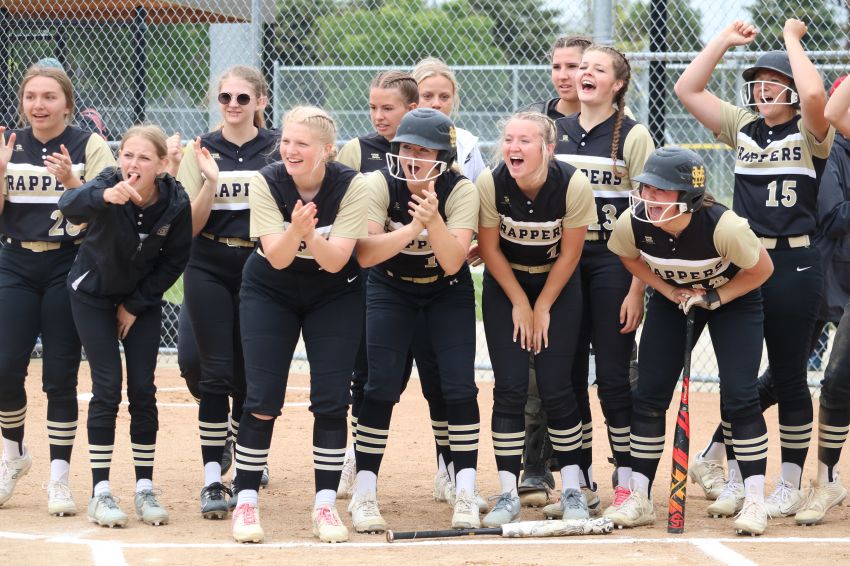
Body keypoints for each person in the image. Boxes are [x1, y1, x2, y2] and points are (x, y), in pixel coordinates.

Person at [675, 19, 833, 518]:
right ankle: (744, 476)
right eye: (758, 81)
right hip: (743, 260)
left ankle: (788, 481)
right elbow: (687, 88)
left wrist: (791, 41)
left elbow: (814, 96)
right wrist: (723, 41)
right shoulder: (742, 124)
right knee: (738, 380)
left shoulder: (811, 131)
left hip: (795, 260)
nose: (763, 89)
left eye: (774, 82)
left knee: (788, 375)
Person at [608, 146, 774, 534]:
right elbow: (629, 258)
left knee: (740, 397)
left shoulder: (724, 227)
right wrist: (665, 292)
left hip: (734, 299)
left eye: (662, 191)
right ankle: (640, 498)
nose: (649, 199)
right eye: (647, 188)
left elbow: (762, 269)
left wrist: (715, 297)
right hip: (675, 301)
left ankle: (754, 502)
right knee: (648, 396)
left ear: (690, 198)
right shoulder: (632, 223)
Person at [230, 106, 368, 544]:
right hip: (271, 289)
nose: (289, 149)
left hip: (334, 291)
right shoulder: (266, 180)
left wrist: (309, 233)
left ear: (326, 150)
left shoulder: (352, 185)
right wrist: (297, 231)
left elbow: (335, 261)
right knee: (262, 397)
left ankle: (324, 505)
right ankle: (246, 499)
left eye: (302, 144)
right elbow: (278, 256)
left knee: (331, 400)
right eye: (286, 141)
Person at [350, 108, 480, 532]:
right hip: (390, 286)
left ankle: (464, 488)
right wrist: (411, 228)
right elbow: (367, 254)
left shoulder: (460, 190)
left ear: (443, 156)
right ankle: (365, 492)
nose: (412, 157)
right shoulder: (377, 183)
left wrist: (434, 218)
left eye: (423, 150)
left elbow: (452, 261)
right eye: (406, 148)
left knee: (459, 387)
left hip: (446, 291)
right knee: (381, 385)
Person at [58, 124, 192, 527]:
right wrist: (103, 196)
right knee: (106, 386)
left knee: (142, 388)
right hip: (92, 294)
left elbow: (175, 260)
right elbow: (70, 204)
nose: (133, 164)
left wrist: (134, 305)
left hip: (139, 301)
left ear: (163, 165)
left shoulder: (174, 200)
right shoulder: (109, 181)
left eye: (144, 158)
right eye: (127, 155)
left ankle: (144, 488)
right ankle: (101, 491)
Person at [0, 63, 115, 516]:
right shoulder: (10, 143)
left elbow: (110, 209)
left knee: (60, 374)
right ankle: (13, 455)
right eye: (31, 96)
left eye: (49, 97)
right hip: (15, 260)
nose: (39, 105)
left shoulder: (91, 145)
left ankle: (59, 478)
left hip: (70, 261)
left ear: (67, 102)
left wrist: (73, 182)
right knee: (5, 366)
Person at [167, 66, 281, 519]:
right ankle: (213, 479)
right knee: (206, 369)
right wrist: (210, 182)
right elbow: (190, 227)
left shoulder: (275, 148)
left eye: (242, 98)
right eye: (225, 98)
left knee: (251, 369)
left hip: (260, 263)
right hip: (208, 261)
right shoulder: (202, 149)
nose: (233, 106)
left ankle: (246, 455)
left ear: (260, 101)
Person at [477, 110, 595, 526]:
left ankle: (574, 491)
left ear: (548, 147)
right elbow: (490, 251)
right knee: (509, 387)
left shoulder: (572, 184)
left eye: (525, 140)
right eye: (509, 139)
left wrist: (542, 305)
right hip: (507, 286)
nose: (514, 147)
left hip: (557, 289)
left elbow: (571, 254)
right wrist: (520, 303)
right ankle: (508, 493)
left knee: (557, 387)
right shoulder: (491, 182)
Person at [550, 45, 653, 518]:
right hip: (565, 263)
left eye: (597, 69)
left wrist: (638, 287)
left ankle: (629, 481)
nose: (584, 73)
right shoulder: (555, 132)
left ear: (617, 85)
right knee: (566, 375)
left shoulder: (632, 135)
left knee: (613, 375)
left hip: (614, 264)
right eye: (581, 66)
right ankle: (576, 480)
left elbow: (647, 217)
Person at [335, 71, 418, 499]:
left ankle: (446, 466)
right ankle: (357, 454)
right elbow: (339, 202)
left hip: (419, 279)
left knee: (405, 375)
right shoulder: (358, 150)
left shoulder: (433, 149)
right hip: (368, 278)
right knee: (366, 373)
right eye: (373, 107)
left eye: (389, 108)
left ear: (412, 109)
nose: (379, 116)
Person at [789, 72, 850, 525]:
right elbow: (836, 213)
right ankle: (826, 480)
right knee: (834, 380)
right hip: (831, 275)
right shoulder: (839, 147)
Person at [412, 57, 486, 181]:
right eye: (427, 96)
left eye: (444, 97)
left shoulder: (467, 144)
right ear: (412, 98)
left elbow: (480, 192)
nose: (436, 103)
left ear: (453, 100)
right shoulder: (398, 142)